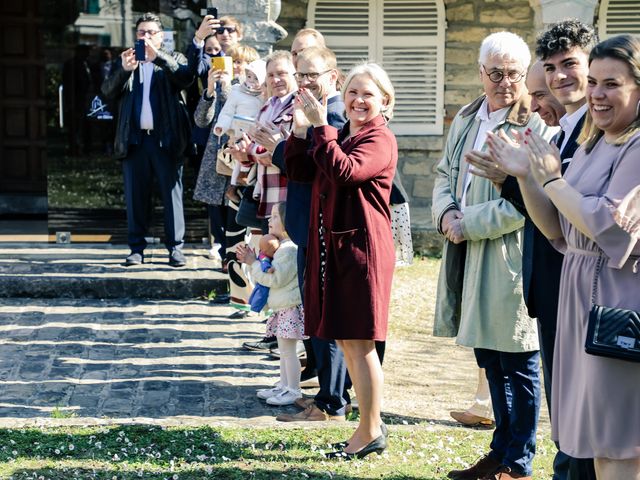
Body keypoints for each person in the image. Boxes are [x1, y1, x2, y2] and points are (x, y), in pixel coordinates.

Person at [488, 33, 640, 480]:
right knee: (592, 441)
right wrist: (530, 179)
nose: (596, 93)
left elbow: (611, 227)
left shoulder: (637, 145)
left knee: (619, 442)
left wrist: (553, 181)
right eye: (593, 82)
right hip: (579, 298)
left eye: (611, 83)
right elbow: (557, 228)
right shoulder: (597, 142)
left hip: (616, 303)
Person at [472, 21, 598, 480]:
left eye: (570, 65)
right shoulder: (564, 130)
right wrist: (510, 179)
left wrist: (520, 178)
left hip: (586, 286)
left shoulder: (598, 131)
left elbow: (574, 216)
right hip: (552, 284)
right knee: (564, 409)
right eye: (551, 68)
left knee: (585, 413)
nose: (560, 78)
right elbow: (546, 213)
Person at [432, 31, 552, 480]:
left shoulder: (533, 124)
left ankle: (518, 462)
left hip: (508, 256)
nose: (505, 82)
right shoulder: (467, 116)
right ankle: (498, 451)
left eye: (514, 74)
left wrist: (468, 223)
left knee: (517, 358)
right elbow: (445, 173)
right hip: (464, 250)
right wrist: (445, 212)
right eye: (496, 73)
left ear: (524, 75)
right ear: (481, 73)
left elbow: (528, 200)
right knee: (489, 357)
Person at [285, 62, 397, 459]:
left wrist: (321, 129)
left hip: (362, 252)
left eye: (368, 94)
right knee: (347, 340)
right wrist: (301, 130)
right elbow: (299, 169)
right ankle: (366, 428)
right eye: (352, 92)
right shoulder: (344, 134)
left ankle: (370, 430)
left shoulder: (379, 138)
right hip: (335, 251)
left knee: (361, 342)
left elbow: (345, 172)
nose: (358, 100)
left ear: (384, 101)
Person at [274, 46, 353, 423]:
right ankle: (329, 392)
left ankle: (333, 399)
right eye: (300, 75)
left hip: (327, 229)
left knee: (327, 318)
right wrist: (298, 131)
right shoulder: (307, 114)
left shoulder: (335, 115)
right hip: (308, 226)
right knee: (315, 315)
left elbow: (329, 171)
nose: (304, 82)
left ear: (332, 77)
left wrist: (309, 129)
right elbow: (298, 171)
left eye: (312, 75)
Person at [101, 12, 196, 268]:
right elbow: (107, 92)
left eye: (151, 32)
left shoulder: (173, 58)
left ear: (161, 36)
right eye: (141, 33)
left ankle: (175, 248)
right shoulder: (126, 61)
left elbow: (185, 78)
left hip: (166, 140)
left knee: (171, 196)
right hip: (135, 142)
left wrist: (160, 58)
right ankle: (136, 249)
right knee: (136, 197)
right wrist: (123, 71)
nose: (146, 37)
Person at [236, 202, 305, 406]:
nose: (269, 219)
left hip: (289, 308)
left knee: (288, 352)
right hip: (283, 308)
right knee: (283, 351)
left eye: (275, 217)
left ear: (287, 223)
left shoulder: (288, 250)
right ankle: (284, 385)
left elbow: (274, 279)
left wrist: (253, 263)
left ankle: (293, 389)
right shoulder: (282, 248)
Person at [247, 233, 280, 313]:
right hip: (263, 280)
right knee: (262, 295)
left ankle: (252, 304)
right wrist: (268, 269)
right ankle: (256, 308)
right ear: (266, 251)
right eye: (274, 251)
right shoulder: (264, 257)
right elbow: (264, 264)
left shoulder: (264, 253)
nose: (275, 253)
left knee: (257, 291)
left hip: (260, 278)